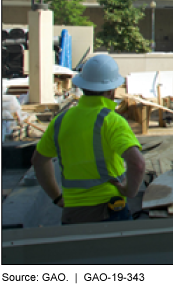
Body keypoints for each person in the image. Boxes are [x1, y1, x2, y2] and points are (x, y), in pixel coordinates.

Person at [31, 54, 145, 225]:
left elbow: (38, 161)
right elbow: (137, 164)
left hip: (73, 213)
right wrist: (129, 191)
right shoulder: (111, 120)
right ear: (110, 90)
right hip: (109, 211)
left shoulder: (60, 121)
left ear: (83, 86)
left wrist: (57, 197)